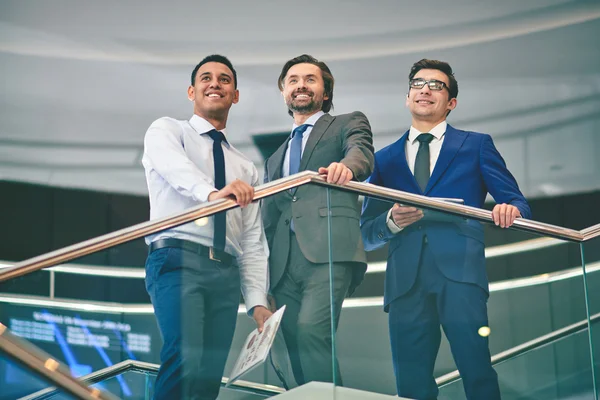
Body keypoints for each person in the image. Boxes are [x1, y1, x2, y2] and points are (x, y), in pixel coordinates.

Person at [360, 59, 531, 400]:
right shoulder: (384, 158)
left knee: (477, 370)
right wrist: (392, 221)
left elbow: (518, 202)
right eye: (418, 84)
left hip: (461, 273)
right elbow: (366, 232)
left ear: (450, 102)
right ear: (407, 97)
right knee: (410, 382)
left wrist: (509, 209)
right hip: (405, 281)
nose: (425, 89)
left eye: (437, 85)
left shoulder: (476, 144)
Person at [142, 54, 272, 400]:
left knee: (208, 379)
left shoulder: (244, 166)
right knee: (185, 356)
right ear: (191, 91)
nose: (215, 83)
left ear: (236, 95)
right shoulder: (168, 130)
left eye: (225, 79)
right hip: (177, 259)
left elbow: (252, 239)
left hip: (225, 274)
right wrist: (212, 193)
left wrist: (257, 300)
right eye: (206, 78)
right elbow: (174, 169)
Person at [262, 54, 374, 386]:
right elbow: (268, 220)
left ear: (325, 92)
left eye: (310, 79)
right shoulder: (274, 157)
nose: (301, 85)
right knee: (295, 344)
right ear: (283, 91)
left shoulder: (346, 122)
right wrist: (263, 282)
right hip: (282, 266)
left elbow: (361, 151)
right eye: (293, 80)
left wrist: (348, 167)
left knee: (313, 332)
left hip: (328, 250)